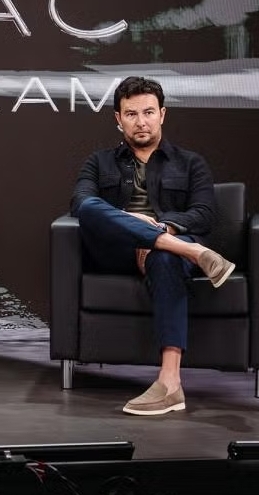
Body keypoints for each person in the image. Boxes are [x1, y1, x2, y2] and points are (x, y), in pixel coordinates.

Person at [71, 76, 235, 416]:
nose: (141, 121)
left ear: (162, 114)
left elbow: (204, 214)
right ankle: (195, 253)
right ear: (118, 119)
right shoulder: (99, 162)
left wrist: (162, 228)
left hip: (167, 250)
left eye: (148, 112)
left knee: (165, 256)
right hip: (117, 253)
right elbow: (81, 203)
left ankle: (170, 383)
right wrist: (133, 222)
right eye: (131, 114)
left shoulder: (190, 163)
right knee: (88, 207)